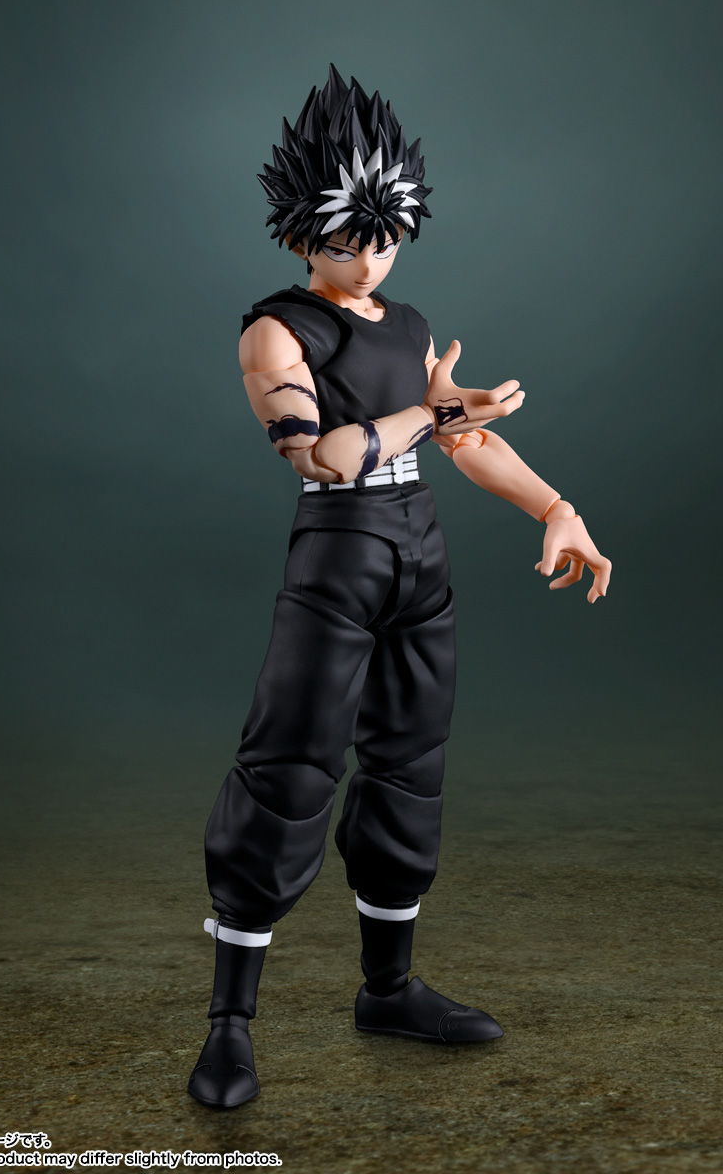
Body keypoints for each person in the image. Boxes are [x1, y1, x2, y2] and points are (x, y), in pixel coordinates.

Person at [188, 65, 611, 1109]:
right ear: (303, 233)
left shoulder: (409, 323)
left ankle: (388, 989)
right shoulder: (276, 330)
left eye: (387, 239)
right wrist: (434, 412)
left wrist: (555, 506)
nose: (370, 260)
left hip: (418, 551)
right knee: (289, 766)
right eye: (348, 242)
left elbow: (465, 442)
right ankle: (229, 1024)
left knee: (410, 766)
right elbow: (326, 456)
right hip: (337, 553)